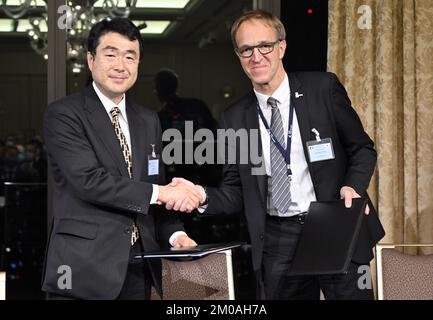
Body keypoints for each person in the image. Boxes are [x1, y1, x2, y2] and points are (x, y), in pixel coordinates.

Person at [169, 10, 385, 300]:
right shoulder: (235, 118)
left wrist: (353, 186)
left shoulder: (322, 89)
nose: (256, 56)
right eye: (246, 49)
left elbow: (362, 148)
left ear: (281, 47)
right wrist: (200, 194)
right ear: (238, 55)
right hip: (277, 238)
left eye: (264, 46)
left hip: (334, 223)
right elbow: (235, 191)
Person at [41, 18, 201, 300]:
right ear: (91, 60)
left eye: (130, 56)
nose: (121, 65)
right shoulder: (64, 114)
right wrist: (164, 192)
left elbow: (153, 188)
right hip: (82, 269)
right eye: (111, 54)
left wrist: (177, 236)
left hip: (140, 266)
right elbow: (89, 181)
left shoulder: (148, 120)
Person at [155, 69, 220, 186]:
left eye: (158, 87)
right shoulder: (195, 105)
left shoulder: (162, 115)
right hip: (189, 168)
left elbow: (214, 132)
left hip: (198, 167)